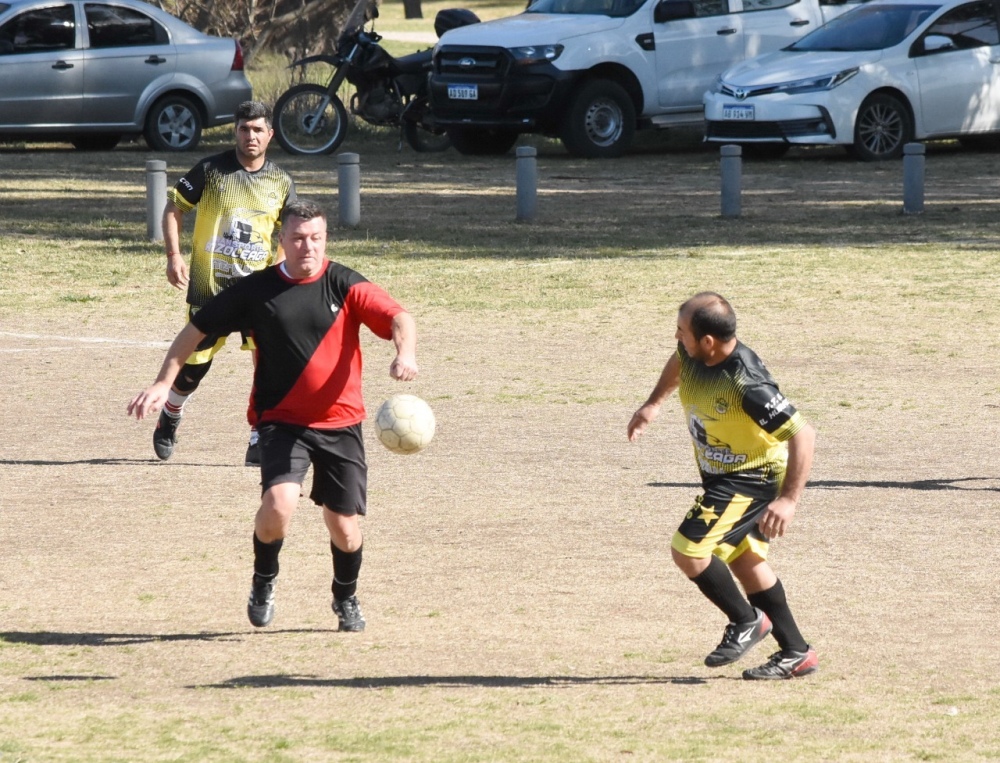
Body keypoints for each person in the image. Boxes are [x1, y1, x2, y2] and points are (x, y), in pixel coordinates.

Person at [129, 200, 418, 632]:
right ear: (280, 240)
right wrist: (162, 383)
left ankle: (346, 597)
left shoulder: (343, 283)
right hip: (281, 421)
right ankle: (263, 581)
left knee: (344, 527)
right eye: (298, 238)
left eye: (316, 238)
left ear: (326, 239)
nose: (308, 247)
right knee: (280, 503)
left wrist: (405, 353)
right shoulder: (255, 290)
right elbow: (194, 331)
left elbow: (399, 316)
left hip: (341, 424)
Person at [627, 292, 818, 680]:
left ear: (708, 340)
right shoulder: (695, 355)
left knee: (688, 548)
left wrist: (788, 500)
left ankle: (747, 621)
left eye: (682, 332)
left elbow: (804, 434)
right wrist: (653, 403)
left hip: (753, 478)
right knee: (745, 559)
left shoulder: (746, 384)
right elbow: (678, 363)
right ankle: (796, 652)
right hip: (723, 476)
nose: (676, 339)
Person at [157, 100, 297, 467]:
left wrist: (280, 275)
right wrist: (174, 256)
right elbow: (174, 208)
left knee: (266, 366)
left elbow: (289, 230)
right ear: (235, 131)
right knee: (193, 370)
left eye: (257, 130)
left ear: (270, 134)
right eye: (243, 129)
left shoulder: (280, 181)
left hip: (259, 292)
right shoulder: (211, 170)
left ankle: (258, 437)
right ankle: (171, 413)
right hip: (211, 288)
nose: (250, 136)